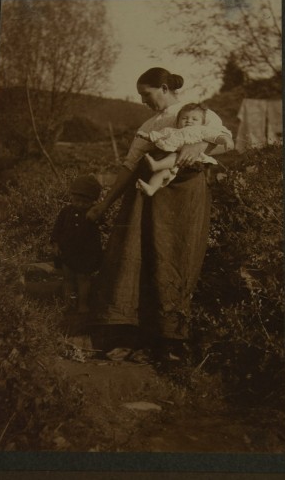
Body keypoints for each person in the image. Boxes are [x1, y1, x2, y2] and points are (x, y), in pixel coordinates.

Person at [86, 67, 234, 360]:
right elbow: (129, 166)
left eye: (147, 94)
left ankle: (167, 343)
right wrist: (104, 204)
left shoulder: (196, 112)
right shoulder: (151, 124)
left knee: (175, 258)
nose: (143, 101)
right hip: (148, 194)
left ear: (164, 88)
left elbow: (226, 142)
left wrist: (198, 144)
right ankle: (131, 338)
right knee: (137, 259)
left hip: (185, 194)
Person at [135, 102, 232, 196]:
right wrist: (145, 136)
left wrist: (226, 140)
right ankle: (151, 188)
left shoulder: (201, 130)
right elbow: (157, 136)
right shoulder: (171, 131)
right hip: (171, 162)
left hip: (188, 159)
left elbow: (215, 136)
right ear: (177, 122)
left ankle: (157, 165)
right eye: (184, 118)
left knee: (174, 156)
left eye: (194, 119)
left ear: (202, 123)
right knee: (162, 173)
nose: (189, 121)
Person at [51, 175, 103, 319]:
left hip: (86, 253)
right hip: (67, 252)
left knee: (83, 278)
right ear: (72, 197)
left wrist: (97, 213)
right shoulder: (65, 212)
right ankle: (67, 303)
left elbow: (101, 223)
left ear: (93, 201)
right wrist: (55, 244)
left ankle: (83, 304)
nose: (80, 204)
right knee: (68, 278)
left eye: (84, 202)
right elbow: (56, 230)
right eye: (77, 200)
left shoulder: (93, 212)